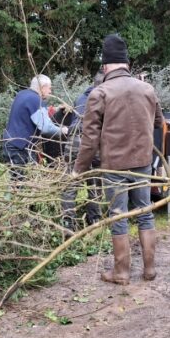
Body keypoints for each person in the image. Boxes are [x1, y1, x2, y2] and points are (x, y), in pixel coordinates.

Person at [73, 34, 164, 284]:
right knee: (145, 213)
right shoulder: (147, 89)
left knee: (119, 215)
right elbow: (158, 123)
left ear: (105, 66)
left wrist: (78, 169)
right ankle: (150, 270)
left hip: (114, 165)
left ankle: (122, 272)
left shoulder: (99, 93)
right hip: (143, 162)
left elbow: (89, 139)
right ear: (127, 64)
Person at [60, 70, 105, 230]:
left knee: (70, 183)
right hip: (89, 140)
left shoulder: (81, 97)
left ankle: (67, 225)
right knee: (95, 183)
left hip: (72, 142)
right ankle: (95, 221)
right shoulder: (101, 98)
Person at [2, 74, 68, 182]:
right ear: (42, 87)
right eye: (49, 88)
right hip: (20, 148)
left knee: (17, 181)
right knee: (21, 183)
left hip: (11, 144)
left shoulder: (23, 94)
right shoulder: (35, 100)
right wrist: (63, 130)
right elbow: (46, 127)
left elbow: (34, 114)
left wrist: (56, 109)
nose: (50, 91)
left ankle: (11, 196)